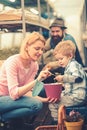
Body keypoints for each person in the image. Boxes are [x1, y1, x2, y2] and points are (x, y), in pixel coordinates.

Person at [0, 32, 52, 124]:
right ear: (27, 47)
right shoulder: (13, 62)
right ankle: (4, 118)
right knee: (36, 105)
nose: (40, 52)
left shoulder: (34, 65)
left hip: (15, 97)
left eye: (42, 49)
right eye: (37, 48)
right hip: (3, 98)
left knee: (44, 88)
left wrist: (45, 100)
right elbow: (14, 94)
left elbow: (27, 91)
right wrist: (38, 80)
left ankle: (15, 119)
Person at [48, 40, 87, 123]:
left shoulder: (73, 65)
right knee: (56, 97)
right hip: (73, 94)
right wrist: (64, 84)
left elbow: (78, 78)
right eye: (58, 59)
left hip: (77, 97)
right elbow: (73, 82)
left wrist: (63, 78)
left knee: (53, 103)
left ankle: (56, 123)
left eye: (61, 59)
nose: (59, 61)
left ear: (70, 56)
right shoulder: (69, 66)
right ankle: (63, 120)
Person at [42, 17, 84, 83]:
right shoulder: (52, 39)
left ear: (63, 31)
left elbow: (68, 60)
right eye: (53, 32)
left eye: (57, 31)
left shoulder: (68, 40)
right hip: (63, 66)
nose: (55, 34)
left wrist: (50, 64)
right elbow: (43, 49)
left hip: (74, 69)